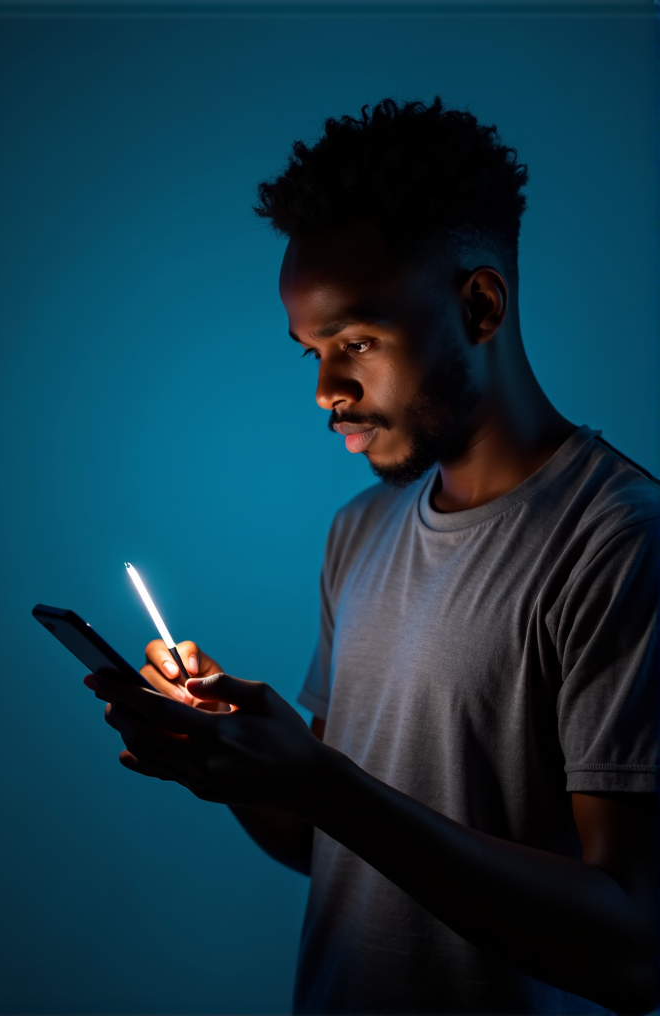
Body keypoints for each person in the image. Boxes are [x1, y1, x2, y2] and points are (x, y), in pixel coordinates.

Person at [85, 98, 659, 1016]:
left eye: (355, 343)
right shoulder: (361, 529)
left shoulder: (620, 542)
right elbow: (334, 842)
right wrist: (235, 759)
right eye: (311, 352)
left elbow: (634, 949)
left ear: (479, 306)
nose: (324, 391)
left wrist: (322, 784)